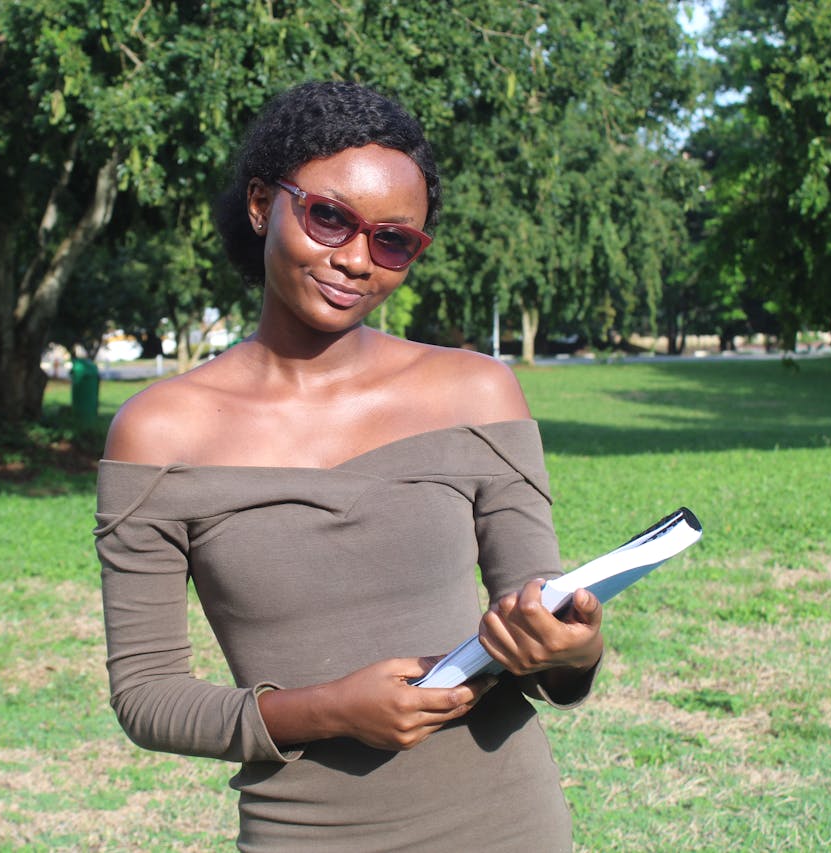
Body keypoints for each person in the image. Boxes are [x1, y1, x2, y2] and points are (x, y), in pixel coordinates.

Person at [95, 81, 604, 852]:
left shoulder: (476, 390)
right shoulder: (160, 432)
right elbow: (146, 696)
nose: (357, 259)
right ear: (264, 205)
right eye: (329, 216)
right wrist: (328, 709)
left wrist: (574, 651)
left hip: (506, 820)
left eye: (394, 240)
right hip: (307, 833)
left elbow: (535, 629)